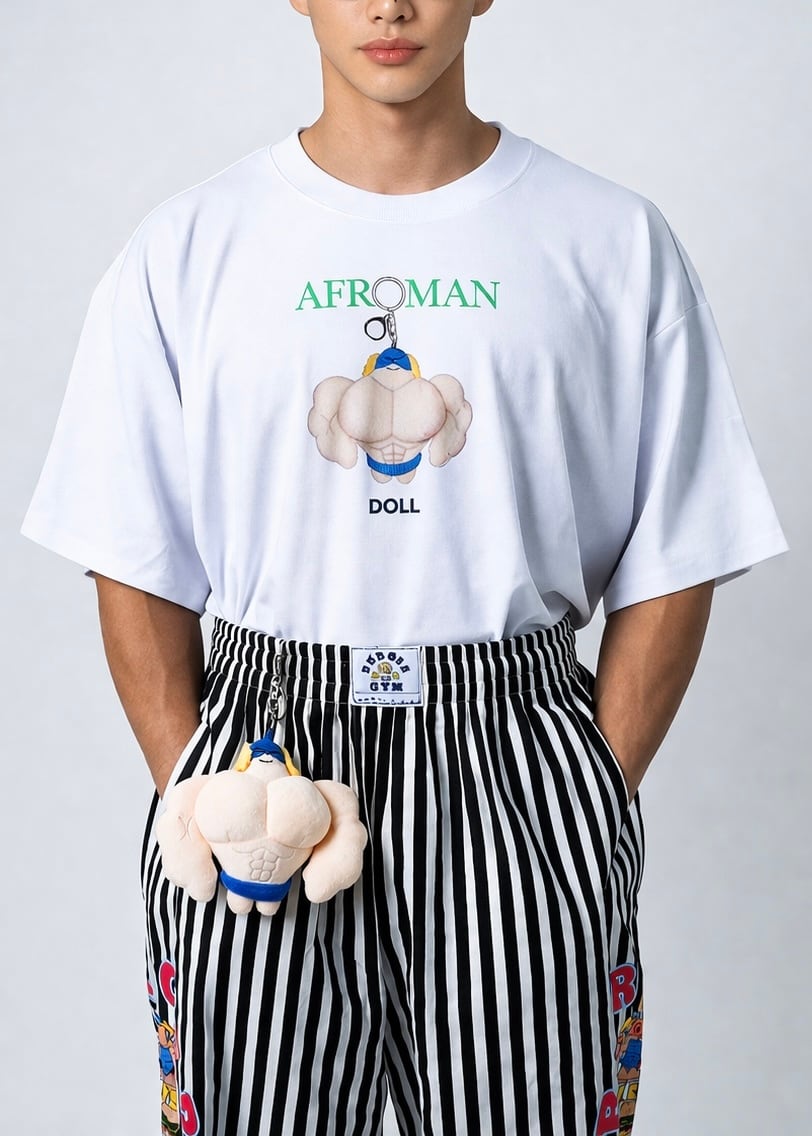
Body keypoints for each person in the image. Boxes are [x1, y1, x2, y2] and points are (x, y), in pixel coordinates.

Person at [20, 0, 788, 1133]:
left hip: (517, 751)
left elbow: (684, 538)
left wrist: (590, 789)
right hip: (264, 749)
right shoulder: (187, 247)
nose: (390, 5)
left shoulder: (609, 239)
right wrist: (194, 782)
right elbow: (129, 545)